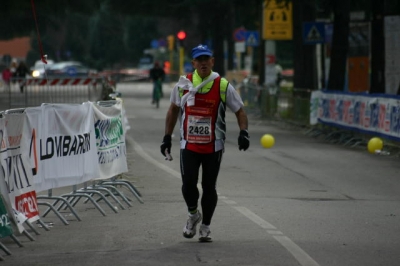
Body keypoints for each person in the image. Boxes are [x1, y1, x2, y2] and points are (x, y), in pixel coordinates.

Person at [160, 44, 250, 242]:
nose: (203, 63)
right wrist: (167, 137)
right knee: (188, 184)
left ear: (212, 61)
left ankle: (206, 226)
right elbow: (173, 110)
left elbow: (240, 110)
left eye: (206, 59)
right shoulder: (183, 84)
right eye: (199, 60)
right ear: (193, 63)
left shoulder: (223, 85)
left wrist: (244, 132)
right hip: (189, 145)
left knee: (209, 187)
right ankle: (193, 215)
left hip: (213, 146)